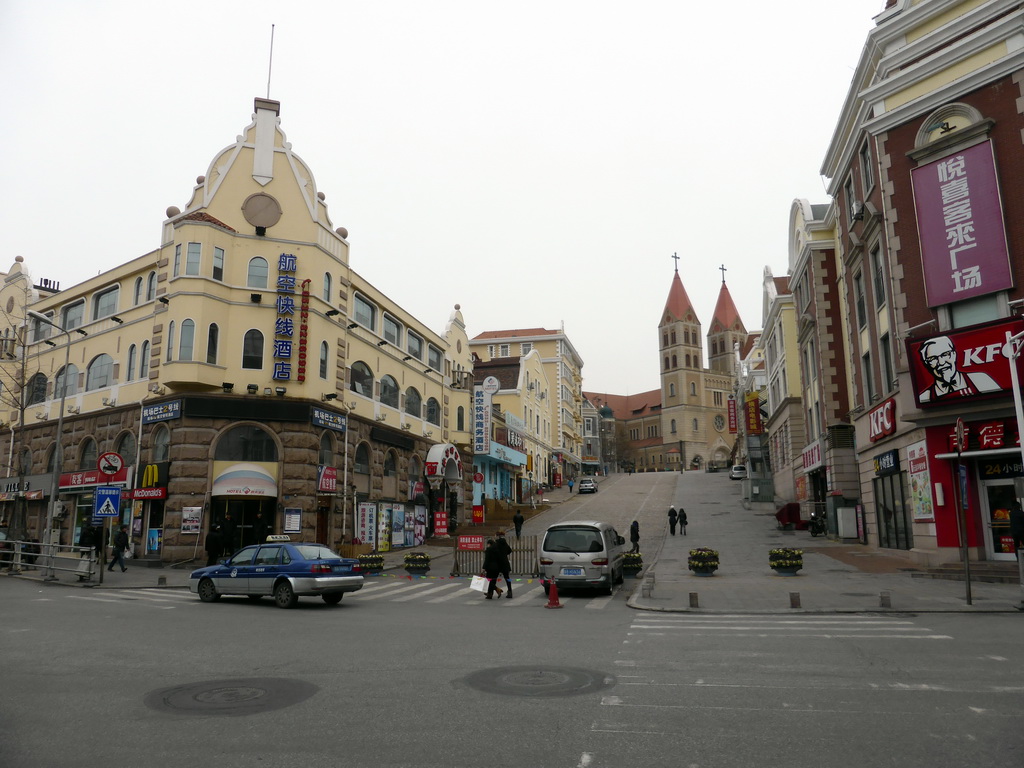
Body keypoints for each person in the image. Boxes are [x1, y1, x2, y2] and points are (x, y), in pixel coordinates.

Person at [917, 335, 1000, 404]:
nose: (941, 362)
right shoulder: (924, 397)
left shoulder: (981, 379)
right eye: (932, 359)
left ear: (954, 354)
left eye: (945, 354)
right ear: (926, 363)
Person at [494, 529, 513, 598]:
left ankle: (491, 591)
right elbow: (510, 550)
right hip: (505, 562)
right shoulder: (505, 543)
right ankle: (510, 591)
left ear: (498, 536)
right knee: (507, 578)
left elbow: (494, 552)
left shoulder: (496, 544)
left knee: (493, 578)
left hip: (497, 563)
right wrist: (504, 554)